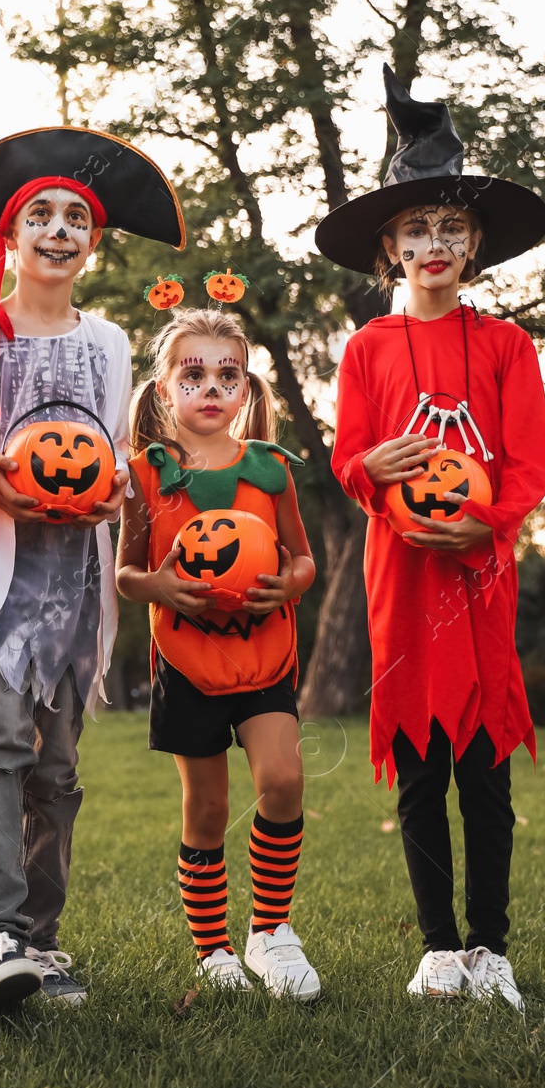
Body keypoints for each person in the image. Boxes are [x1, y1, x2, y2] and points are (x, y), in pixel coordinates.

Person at [318, 64, 545, 1010]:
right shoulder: (367, 350)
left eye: (452, 228)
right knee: (419, 768)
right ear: (389, 244)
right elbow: (348, 460)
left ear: (476, 244)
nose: (435, 243)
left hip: (479, 576)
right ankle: (438, 946)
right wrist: (370, 473)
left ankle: (492, 944)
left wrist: (483, 520)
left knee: (483, 772)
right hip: (402, 579)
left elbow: (531, 465)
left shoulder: (506, 345)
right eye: (417, 228)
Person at [0, 127, 186, 1014]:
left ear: (94, 241)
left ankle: (42, 941)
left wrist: (113, 481)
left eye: (75, 217)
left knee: (59, 770)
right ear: (9, 236)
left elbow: (116, 455)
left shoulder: (113, 343)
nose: (58, 228)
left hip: (76, 583)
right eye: (39, 213)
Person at [116, 309, 321, 1001]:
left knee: (283, 780)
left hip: (264, 653)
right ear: (164, 389)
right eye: (193, 373)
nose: (211, 386)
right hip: (186, 661)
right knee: (205, 807)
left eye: (227, 374)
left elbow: (303, 560)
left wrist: (286, 585)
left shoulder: (271, 470)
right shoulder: (147, 474)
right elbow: (127, 573)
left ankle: (271, 930)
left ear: (247, 390)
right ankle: (213, 948)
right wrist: (160, 585)